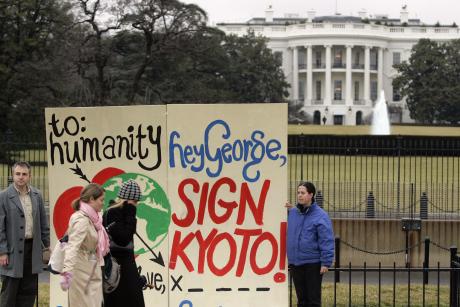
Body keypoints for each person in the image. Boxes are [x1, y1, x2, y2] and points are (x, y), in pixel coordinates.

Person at [0, 161, 50, 307]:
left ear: (29, 176)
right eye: (17, 174)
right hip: (12, 250)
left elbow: (43, 224)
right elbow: (0, 227)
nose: (21, 177)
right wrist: (2, 251)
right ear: (12, 175)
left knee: (29, 290)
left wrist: (46, 247)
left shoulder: (37, 195)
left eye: (24, 174)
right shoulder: (3, 196)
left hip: (32, 249)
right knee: (10, 291)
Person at [60, 183, 109, 307]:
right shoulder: (82, 220)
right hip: (81, 272)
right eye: (101, 200)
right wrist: (67, 272)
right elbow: (72, 246)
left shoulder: (93, 219)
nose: (103, 203)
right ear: (91, 199)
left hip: (91, 269)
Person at [286, 181, 334, 307]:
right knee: (301, 300)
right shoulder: (293, 213)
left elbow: (326, 239)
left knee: (313, 300)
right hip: (296, 263)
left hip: (313, 264)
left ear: (311, 194)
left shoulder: (321, 215)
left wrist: (326, 262)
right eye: (298, 193)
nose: (299, 195)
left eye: (303, 193)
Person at [103, 179, 146, 307]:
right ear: (126, 200)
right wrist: (131, 214)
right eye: (135, 201)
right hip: (116, 269)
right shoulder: (112, 213)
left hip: (126, 267)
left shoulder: (124, 213)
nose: (136, 205)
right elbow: (123, 238)